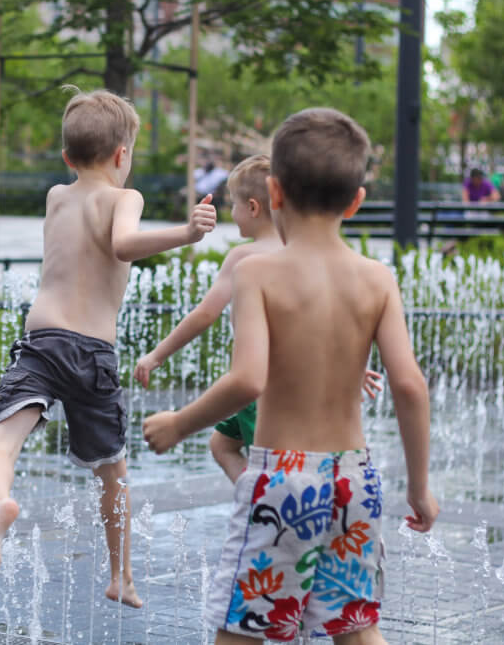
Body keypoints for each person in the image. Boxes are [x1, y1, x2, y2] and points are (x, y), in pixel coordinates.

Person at [143, 108, 438, 643]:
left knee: (244, 628)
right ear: (356, 201)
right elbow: (410, 386)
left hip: (282, 480)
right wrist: (419, 487)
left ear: (273, 193)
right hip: (354, 479)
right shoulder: (378, 278)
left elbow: (248, 379)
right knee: (356, 628)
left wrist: (179, 424)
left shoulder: (257, 271)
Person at [0, 88, 219, 608]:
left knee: (0, 440)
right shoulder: (125, 198)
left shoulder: (56, 197)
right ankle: (121, 575)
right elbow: (122, 245)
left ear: (66, 157)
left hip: (42, 340)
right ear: (122, 155)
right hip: (92, 351)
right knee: (113, 473)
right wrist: (186, 233)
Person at [134, 154, 382, 484]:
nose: (230, 213)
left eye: (231, 204)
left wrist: (156, 355)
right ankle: (274, 503)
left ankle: (262, 507)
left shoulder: (243, 258)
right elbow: (322, 321)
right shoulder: (305, 254)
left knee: (275, 469)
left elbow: (205, 314)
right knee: (224, 443)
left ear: (252, 208)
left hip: (261, 390)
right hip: (310, 384)